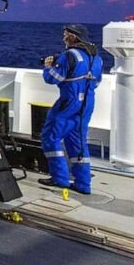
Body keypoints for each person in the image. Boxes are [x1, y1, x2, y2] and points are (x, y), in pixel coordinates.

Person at [39, 23, 103, 194]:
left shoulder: (69, 56)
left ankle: (60, 178)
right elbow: (96, 82)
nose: (64, 37)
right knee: (78, 142)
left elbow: (53, 78)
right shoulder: (96, 58)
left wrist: (48, 67)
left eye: (66, 34)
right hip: (87, 103)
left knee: (51, 137)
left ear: (74, 37)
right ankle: (83, 184)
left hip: (69, 102)